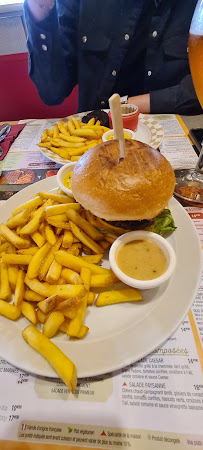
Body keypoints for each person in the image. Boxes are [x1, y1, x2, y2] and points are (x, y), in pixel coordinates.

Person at [24, 0, 202, 115]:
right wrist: (40, 7)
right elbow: (52, 92)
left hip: (177, 139)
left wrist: (125, 106)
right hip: (96, 140)